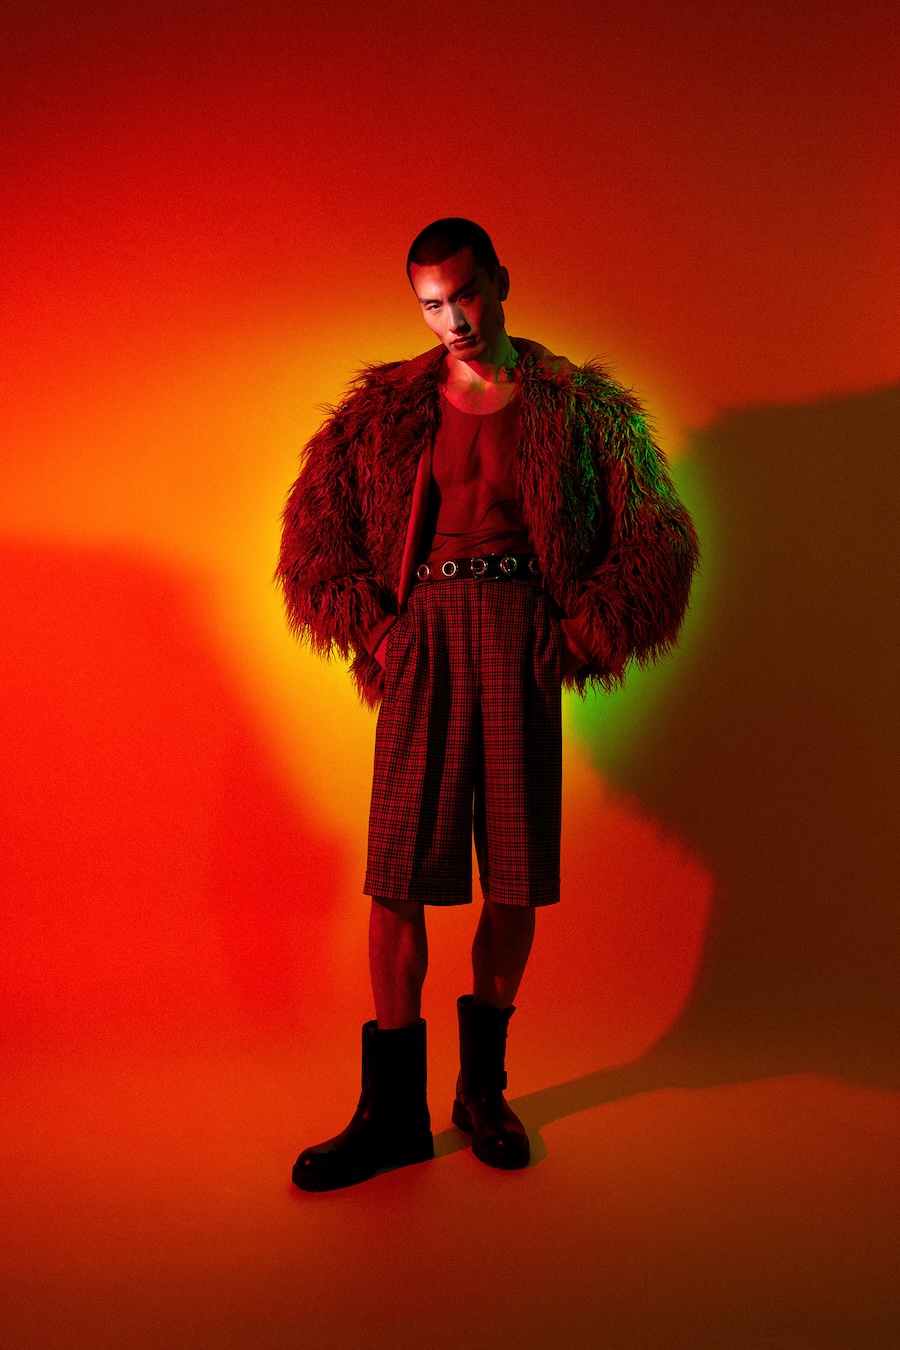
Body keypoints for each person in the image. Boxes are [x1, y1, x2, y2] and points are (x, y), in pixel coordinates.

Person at [277, 218, 698, 1191]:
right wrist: (379, 631)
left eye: (464, 296)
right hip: (422, 631)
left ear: (499, 281)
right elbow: (313, 538)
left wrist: (580, 635)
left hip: (520, 631)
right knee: (396, 874)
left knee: (513, 874)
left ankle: (481, 1091)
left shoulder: (580, 408)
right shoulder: (383, 412)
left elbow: (658, 536)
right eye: (432, 305)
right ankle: (391, 1114)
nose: (453, 320)